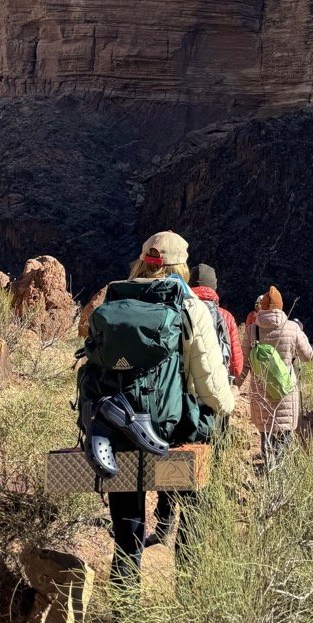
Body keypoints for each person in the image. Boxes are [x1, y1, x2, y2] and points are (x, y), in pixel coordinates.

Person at [91, 231, 234, 581]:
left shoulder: (115, 300)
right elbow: (211, 385)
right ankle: (189, 579)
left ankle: (124, 597)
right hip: (169, 430)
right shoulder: (189, 306)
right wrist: (226, 408)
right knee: (196, 498)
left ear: (142, 261)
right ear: (181, 266)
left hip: (119, 427)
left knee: (126, 532)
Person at [149, 261, 243, 547]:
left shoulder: (175, 308)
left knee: (171, 462)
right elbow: (237, 365)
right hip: (208, 406)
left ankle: (164, 525)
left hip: (173, 402)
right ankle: (190, 546)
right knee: (203, 471)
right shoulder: (224, 317)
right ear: (214, 288)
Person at [241, 285, 313, 465]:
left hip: (261, 392)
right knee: (284, 439)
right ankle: (279, 473)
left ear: (263, 307)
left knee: (266, 437)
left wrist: (234, 385)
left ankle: (269, 469)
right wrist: (299, 334)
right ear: (281, 307)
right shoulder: (292, 328)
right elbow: (307, 356)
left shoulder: (252, 330)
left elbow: (244, 365)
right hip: (285, 391)